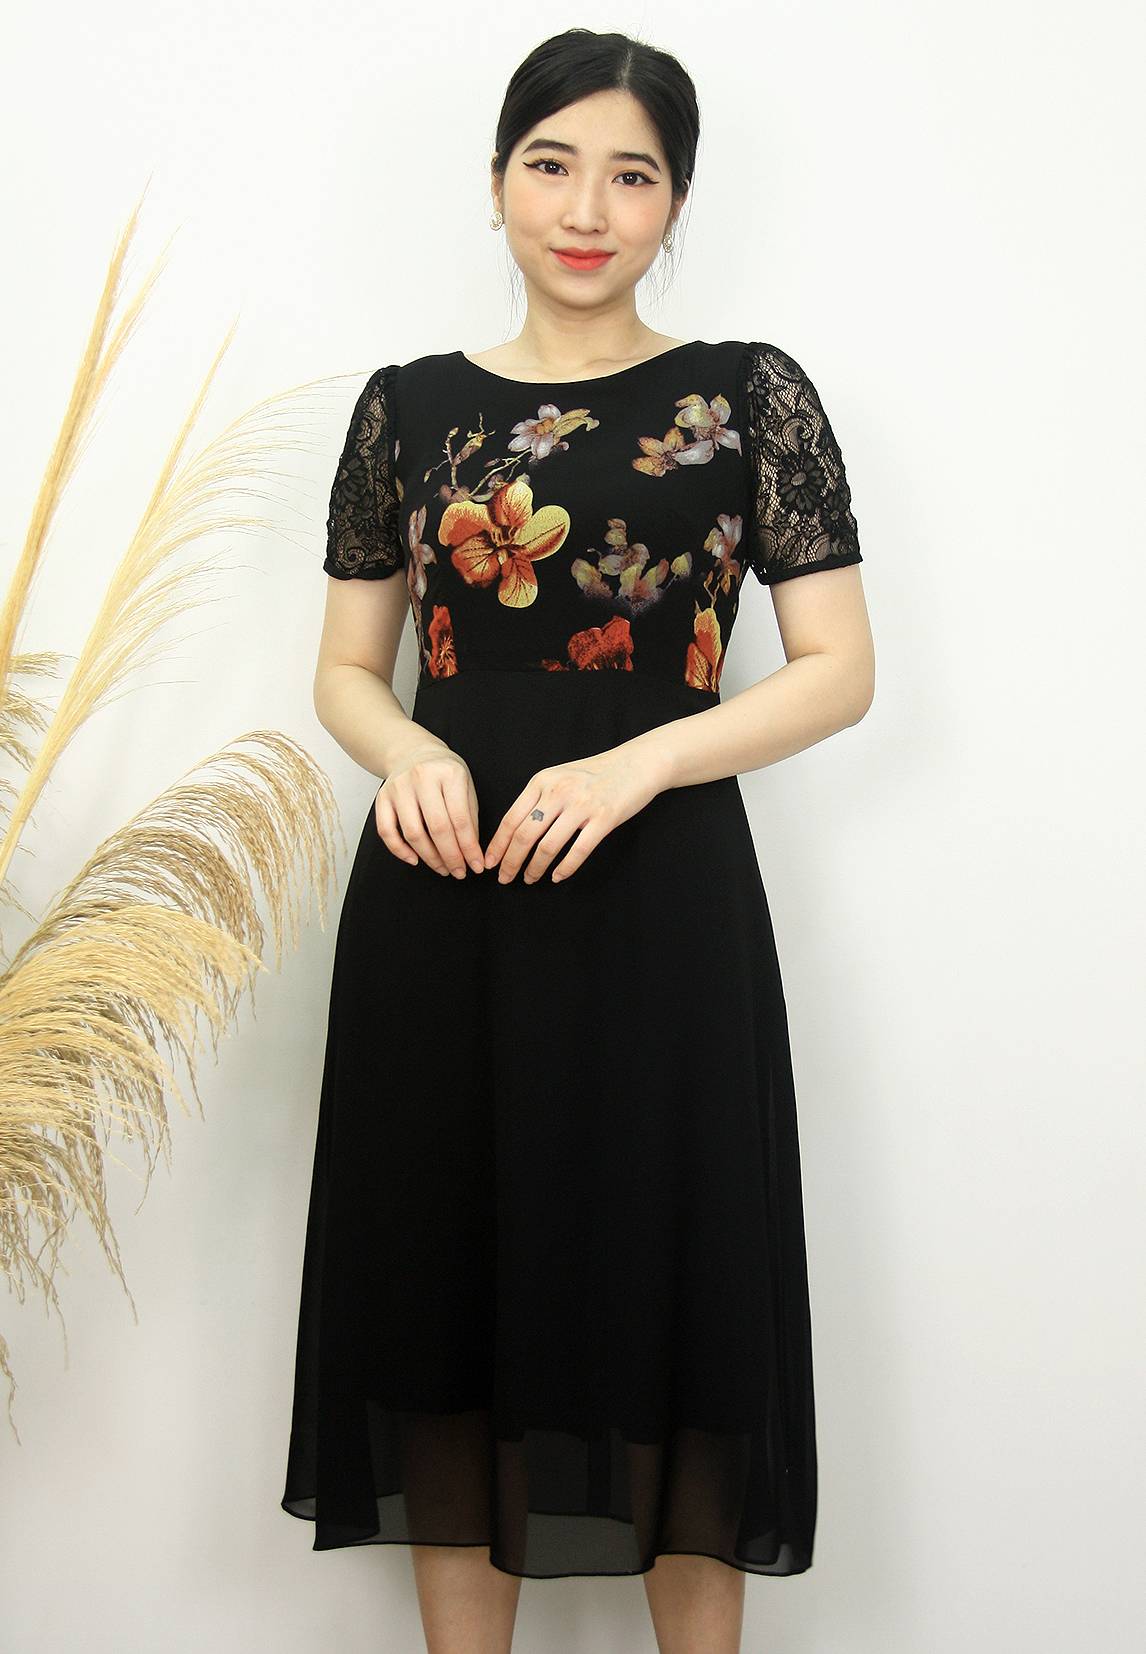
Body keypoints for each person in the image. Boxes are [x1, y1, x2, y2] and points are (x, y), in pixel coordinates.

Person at [282, 26, 874, 1654]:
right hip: (444, 896)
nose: (587, 208)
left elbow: (838, 671)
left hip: (661, 905)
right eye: (550, 165)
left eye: (632, 174)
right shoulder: (407, 409)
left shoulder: (748, 395)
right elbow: (345, 670)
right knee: (447, 1297)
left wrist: (641, 765)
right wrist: (406, 747)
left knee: (678, 1296)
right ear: (494, 184)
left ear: (675, 201)